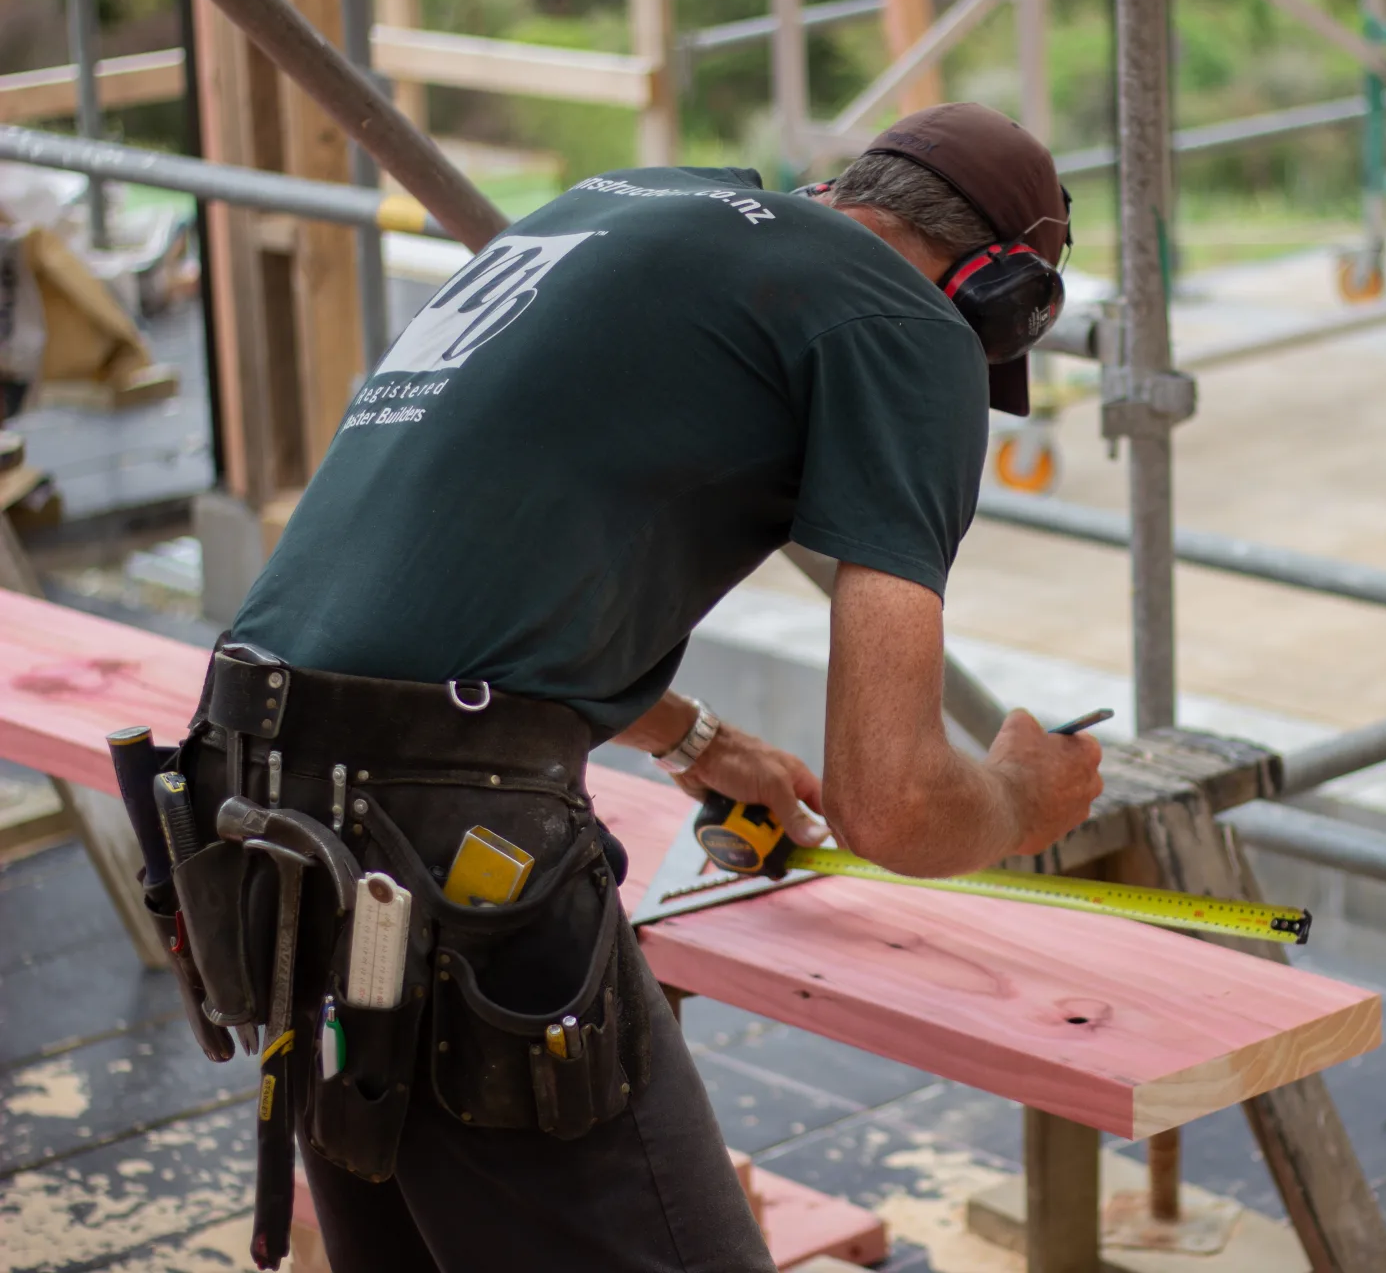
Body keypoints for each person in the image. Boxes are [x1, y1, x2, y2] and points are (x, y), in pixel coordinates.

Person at [170, 101, 1103, 1271]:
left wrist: (692, 735)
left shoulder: (620, 203)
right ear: (1005, 293)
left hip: (251, 791)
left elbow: (458, 573)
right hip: (431, 835)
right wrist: (1020, 795)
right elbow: (894, 803)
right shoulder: (909, 322)